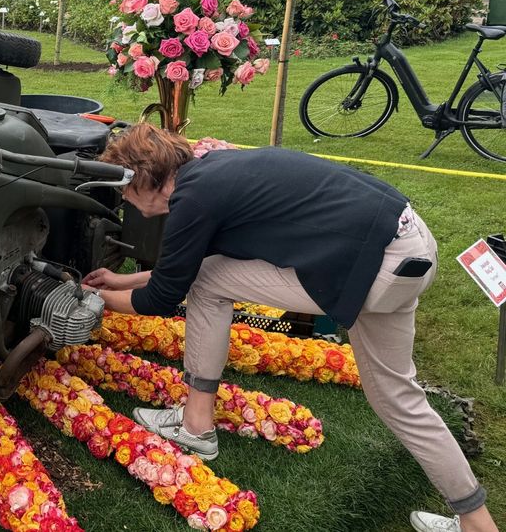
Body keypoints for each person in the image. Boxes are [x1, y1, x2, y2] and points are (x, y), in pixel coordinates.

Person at [87, 124, 497, 532]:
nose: (126, 201)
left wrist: (90, 296)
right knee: (399, 399)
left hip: (374, 266)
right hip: (411, 245)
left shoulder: (193, 198)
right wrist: (122, 281)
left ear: (142, 178)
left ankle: (196, 426)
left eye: (125, 191)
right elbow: (183, 269)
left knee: (209, 282)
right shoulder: (212, 172)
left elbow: (161, 298)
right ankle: (477, 522)